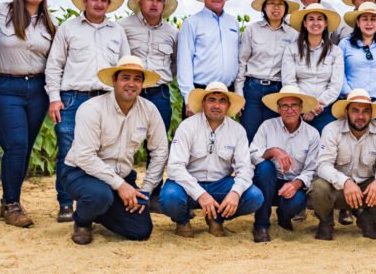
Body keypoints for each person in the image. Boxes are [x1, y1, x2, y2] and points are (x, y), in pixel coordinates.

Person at [45, 0, 130, 222]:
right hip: (73, 98)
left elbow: (125, 67)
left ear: (109, 4)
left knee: (103, 151)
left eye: (104, 0)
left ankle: (96, 201)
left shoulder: (117, 31)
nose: (99, 4)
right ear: (85, 1)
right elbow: (55, 64)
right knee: (68, 151)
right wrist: (54, 98)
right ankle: (65, 204)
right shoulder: (68, 28)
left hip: (107, 99)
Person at [62, 56, 169, 244]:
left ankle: (99, 210)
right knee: (99, 195)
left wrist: (146, 190)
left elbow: (160, 151)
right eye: (125, 78)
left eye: (137, 79)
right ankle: (82, 221)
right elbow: (85, 157)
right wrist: (120, 186)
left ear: (142, 84)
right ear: (114, 80)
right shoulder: (92, 109)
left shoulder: (149, 110)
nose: (131, 84)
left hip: (121, 176)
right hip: (81, 173)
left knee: (140, 230)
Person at [0, 0, 58, 228]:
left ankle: (8, 200)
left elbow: (56, 60)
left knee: (25, 147)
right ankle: (12, 204)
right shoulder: (1, 14)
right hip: (7, 86)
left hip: (38, 88)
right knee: (16, 145)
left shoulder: (49, 22)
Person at [159, 81, 264, 237]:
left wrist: (235, 193)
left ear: (228, 106)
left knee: (254, 197)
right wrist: (201, 194)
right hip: (188, 184)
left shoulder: (237, 130)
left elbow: (245, 168)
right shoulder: (187, 126)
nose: (216, 105)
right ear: (203, 103)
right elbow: (175, 167)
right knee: (169, 197)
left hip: (220, 185)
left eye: (222, 101)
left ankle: (217, 218)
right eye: (212, 100)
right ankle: (182, 221)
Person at [311, 89, 376, 240]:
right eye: (355, 110)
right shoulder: (332, 129)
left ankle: (367, 219)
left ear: (371, 114)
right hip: (338, 189)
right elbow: (323, 165)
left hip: (366, 189)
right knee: (318, 189)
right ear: (346, 112)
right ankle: (326, 222)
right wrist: (345, 182)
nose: (360, 116)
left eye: (365, 111)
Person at [249, 86, 321, 242]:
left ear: (301, 108)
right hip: (269, 182)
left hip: (293, 184)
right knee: (265, 167)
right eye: (284, 106)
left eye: (294, 105)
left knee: (296, 202)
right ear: (278, 108)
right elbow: (252, 154)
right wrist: (272, 151)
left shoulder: (312, 134)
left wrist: (296, 184)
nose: (290, 110)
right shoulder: (267, 126)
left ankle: (284, 215)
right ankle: (261, 225)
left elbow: (312, 169)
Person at [236, 0, 298, 142]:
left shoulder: (293, 35)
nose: (275, 7)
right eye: (271, 3)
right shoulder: (252, 30)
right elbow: (242, 62)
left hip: (276, 90)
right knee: (249, 135)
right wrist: (239, 93)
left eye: (280, 4)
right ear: (264, 7)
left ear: (286, 9)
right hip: (252, 89)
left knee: (272, 137)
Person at [176, 0, 241, 115]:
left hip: (226, 93)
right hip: (200, 93)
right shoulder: (191, 23)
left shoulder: (233, 23)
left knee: (225, 130)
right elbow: (184, 62)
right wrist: (189, 99)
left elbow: (237, 59)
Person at [120, 0, 178, 130]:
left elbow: (175, 62)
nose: (154, 3)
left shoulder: (172, 32)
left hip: (160, 93)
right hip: (129, 91)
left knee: (159, 137)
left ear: (164, 5)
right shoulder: (122, 26)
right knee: (125, 135)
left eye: (159, 0)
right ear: (140, 3)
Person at [282, 3, 345, 133]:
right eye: (311, 19)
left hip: (325, 108)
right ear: (304, 23)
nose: (315, 23)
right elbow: (289, 82)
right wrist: (307, 105)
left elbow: (335, 86)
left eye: (319, 19)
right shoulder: (292, 49)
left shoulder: (335, 52)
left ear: (325, 23)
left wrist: (317, 106)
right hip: (297, 108)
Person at [339, 2, 376, 105]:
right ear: (358, 22)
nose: (369, 23)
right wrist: (350, 96)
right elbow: (339, 73)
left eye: (373, 19)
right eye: (365, 19)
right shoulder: (345, 44)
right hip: (350, 101)